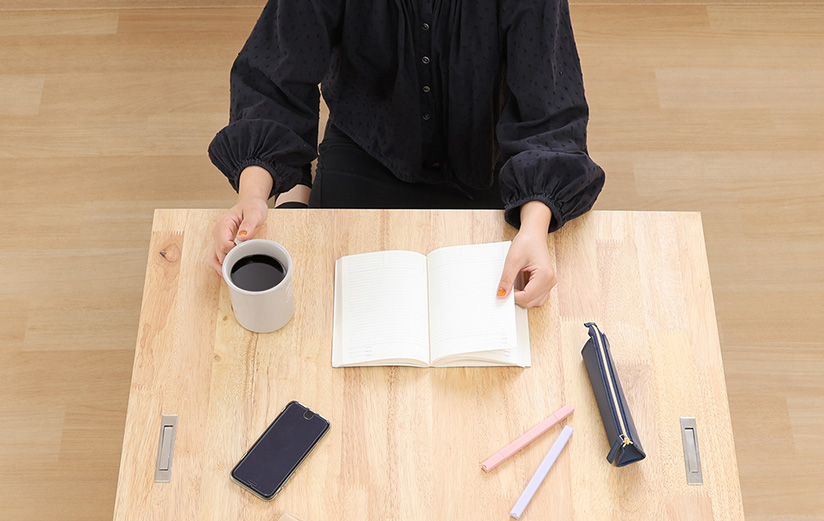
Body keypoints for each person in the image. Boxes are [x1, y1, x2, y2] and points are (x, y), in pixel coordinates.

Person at [208, 0, 604, 308]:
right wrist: (254, 195)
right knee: (317, 311)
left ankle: (298, 194)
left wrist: (534, 228)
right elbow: (275, 78)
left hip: (492, 166)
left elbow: (548, 113)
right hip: (367, 151)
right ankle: (297, 190)